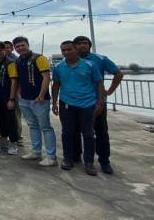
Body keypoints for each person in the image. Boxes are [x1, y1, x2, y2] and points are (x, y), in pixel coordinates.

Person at [52, 40, 105, 176]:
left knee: (88, 134)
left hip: (87, 105)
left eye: (69, 49)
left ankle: (89, 163)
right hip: (67, 104)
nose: (66, 52)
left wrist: (100, 102)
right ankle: (68, 159)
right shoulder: (59, 67)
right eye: (63, 50)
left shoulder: (90, 65)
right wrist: (54, 103)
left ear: (76, 50)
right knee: (67, 133)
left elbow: (99, 83)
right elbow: (56, 85)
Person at [73, 35, 123, 174]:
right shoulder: (69, 60)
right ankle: (76, 156)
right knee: (75, 131)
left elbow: (118, 73)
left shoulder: (100, 59)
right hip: (75, 102)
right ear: (74, 46)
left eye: (85, 43)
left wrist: (110, 91)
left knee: (100, 132)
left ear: (89, 45)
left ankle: (104, 161)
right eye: (79, 43)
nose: (82, 45)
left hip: (96, 102)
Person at [12, 36, 57, 167]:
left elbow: (46, 77)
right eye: (17, 46)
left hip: (39, 100)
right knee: (32, 126)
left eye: (22, 45)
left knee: (46, 127)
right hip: (25, 99)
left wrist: (42, 95)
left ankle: (51, 157)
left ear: (27, 44)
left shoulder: (39, 58)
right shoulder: (18, 61)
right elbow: (18, 79)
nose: (20, 48)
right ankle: (36, 151)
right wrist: (19, 94)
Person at [0, 41, 19, 155]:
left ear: (4, 50)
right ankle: (3, 140)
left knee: (10, 120)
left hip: (7, 96)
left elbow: (14, 81)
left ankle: (13, 143)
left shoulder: (10, 63)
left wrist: (11, 99)